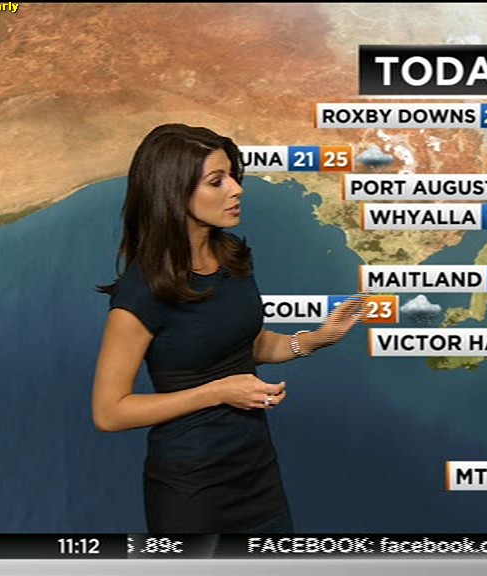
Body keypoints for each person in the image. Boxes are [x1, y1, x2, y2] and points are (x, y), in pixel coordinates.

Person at [92, 123, 365, 533]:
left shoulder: (232, 256)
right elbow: (109, 412)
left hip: (258, 474)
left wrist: (314, 340)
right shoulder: (143, 292)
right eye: (217, 181)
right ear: (174, 191)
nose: (237, 189)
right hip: (193, 492)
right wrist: (217, 392)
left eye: (233, 176)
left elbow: (244, 345)